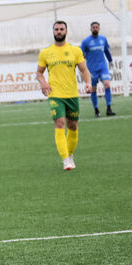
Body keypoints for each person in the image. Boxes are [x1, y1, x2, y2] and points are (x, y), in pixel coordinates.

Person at [36, 21, 93, 171]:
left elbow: (84, 69)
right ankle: (65, 160)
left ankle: (70, 154)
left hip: (72, 94)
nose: (59, 31)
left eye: (61, 29)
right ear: (53, 32)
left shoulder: (75, 51)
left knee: (73, 126)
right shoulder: (46, 52)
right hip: (55, 95)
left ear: (66, 31)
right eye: (56, 29)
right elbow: (39, 73)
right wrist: (43, 83)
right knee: (59, 123)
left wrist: (88, 83)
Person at [80, 22, 115, 117]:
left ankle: (109, 108)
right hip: (91, 69)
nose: (95, 29)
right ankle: (96, 110)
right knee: (93, 90)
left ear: (99, 29)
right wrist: (81, 65)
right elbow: (81, 54)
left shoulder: (103, 39)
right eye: (93, 27)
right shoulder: (86, 41)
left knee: (107, 85)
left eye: (97, 27)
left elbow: (107, 51)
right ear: (90, 29)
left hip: (103, 67)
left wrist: (111, 61)